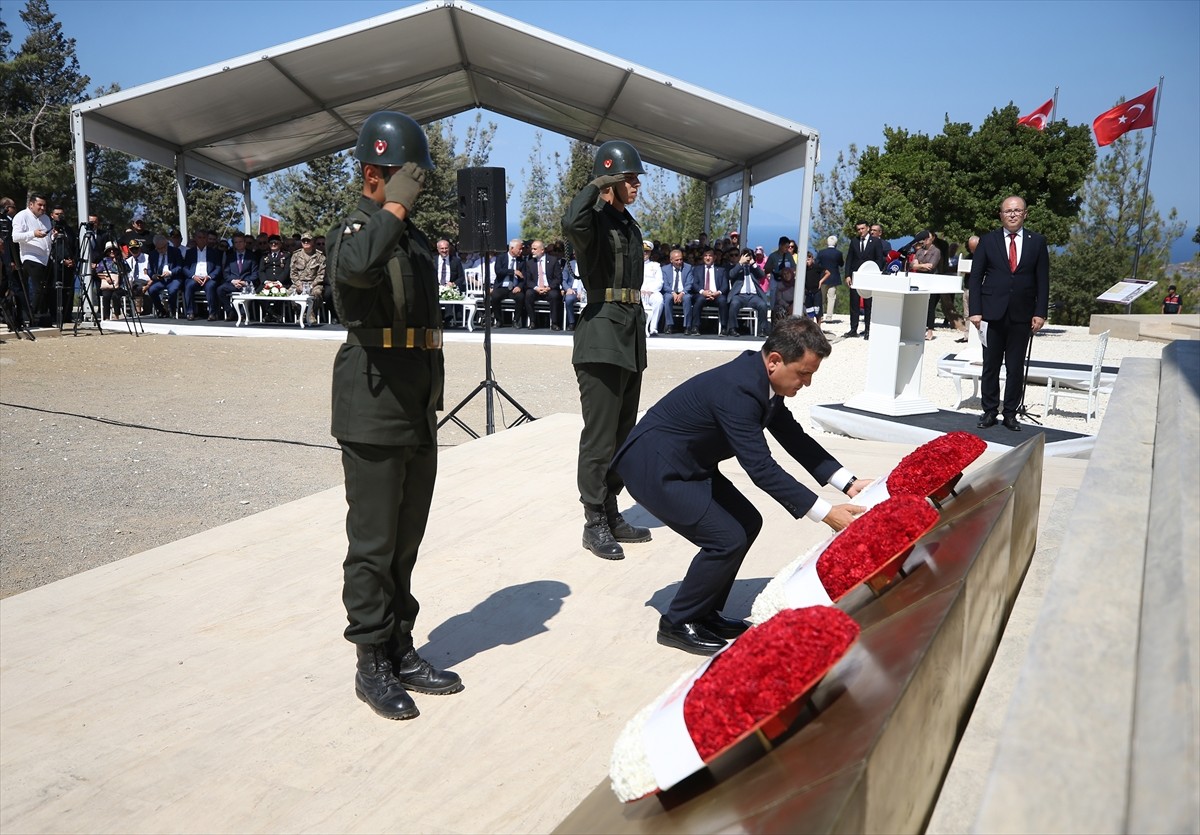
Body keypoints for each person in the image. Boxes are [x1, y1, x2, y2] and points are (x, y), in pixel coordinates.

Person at [612, 317, 871, 655]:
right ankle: (677, 622)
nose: (806, 383)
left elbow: (795, 439)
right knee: (725, 538)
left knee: (747, 522)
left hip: (688, 462)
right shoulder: (739, 390)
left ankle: (705, 612)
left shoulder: (763, 381)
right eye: (804, 374)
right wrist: (825, 513)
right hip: (654, 468)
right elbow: (761, 468)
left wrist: (848, 484)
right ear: (775, 360)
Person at [326, 110, 463, 721]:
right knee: (374, 542)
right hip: (373, 400)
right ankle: (369, 660)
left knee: (406, 539)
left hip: (413, 399)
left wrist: (403, 216)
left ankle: (400, 644)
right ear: (375, 172)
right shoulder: (357, 227)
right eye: (407, 176)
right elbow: (355, 270)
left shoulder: (406, 235)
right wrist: (395, 209)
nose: (417, 187)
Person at [561, 139, 652, 560]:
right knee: (599, 437)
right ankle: (593, 520)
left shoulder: (629, 225)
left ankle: (611, 509)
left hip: (629, 336)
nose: (635, 186)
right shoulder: (593, 223)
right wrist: (597, 183)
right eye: (628, 179)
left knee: (622, 435)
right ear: (611, 181)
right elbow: (570, 220)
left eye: (635, 179)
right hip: (600, 337)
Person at [968, 195, 1050, 432]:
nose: (1012, 214)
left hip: (1022, 314)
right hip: (992, 313)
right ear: (1000, 214)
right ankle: (990, 411)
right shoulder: (988, 240)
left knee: (1015, 367)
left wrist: (1040, 312)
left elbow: (1042, 280)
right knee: (991, 366)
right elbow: (976, 277)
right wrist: (975, 311)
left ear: (1025, 213)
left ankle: (1011, 413)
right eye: (1007, 211)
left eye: (1017, 210)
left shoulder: (1037, 242)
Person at [10, 194, 52, 327]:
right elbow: (15, 237)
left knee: (44, 288)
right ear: (31, 205)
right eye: (40, 205)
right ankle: (34, 316)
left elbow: (48, 237)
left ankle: (42, 315)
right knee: (38, 288)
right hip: (30, 256)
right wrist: (33, 234)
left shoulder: (46, 218)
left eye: (44, 205)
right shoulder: (22, 216)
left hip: (45, 258)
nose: (43, 208)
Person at [726, 247, 770, 337]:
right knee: (734, 303)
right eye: (744, 255)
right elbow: (731, 274)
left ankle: (762, 329)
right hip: (739, 295)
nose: (747, 257)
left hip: (753, 296)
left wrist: (753, 264)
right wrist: (740, 263)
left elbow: (762, 275)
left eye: (749, 255)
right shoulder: (735, 267)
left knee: (762, 305)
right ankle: (732, 329)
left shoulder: (754, 268)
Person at [908, 230, 942, 340]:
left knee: (930, 306)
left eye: (928, 237)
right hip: (919, 280)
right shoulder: (919, 251)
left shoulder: (936, 251)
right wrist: (921, 266)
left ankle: (930, 330)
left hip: (930, 280)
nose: (926, 239)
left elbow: (931, 266)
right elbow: (913, 265)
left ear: (932, 239)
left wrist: (919, 265)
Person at [523, 239, 563, 329]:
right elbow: (528, 280)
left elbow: (558, 278)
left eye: (534, 249)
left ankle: (554, 323)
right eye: (532, 249)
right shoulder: (530, 263)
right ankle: (533, 321)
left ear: (542, 250)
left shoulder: (553, 260)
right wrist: (536, 288)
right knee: (528, 294)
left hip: (549, 288)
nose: (532, 251)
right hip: (536, 289)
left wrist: (549, 287)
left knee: (554, 295)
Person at [815, 235, 844, 324]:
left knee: (822, 298)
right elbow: (841, 264)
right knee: (831, 298)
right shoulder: (838, 253)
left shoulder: (821, 252)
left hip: (823, 278)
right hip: (833, 278)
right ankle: (829, 317)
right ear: (835, 243)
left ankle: (821, 316)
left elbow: (817, 264)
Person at [639, 240, 664, 336]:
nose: (645, 253)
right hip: (638, 292)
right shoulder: (634, 264)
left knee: (659, 300)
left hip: (651, 292)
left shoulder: (655, 266)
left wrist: (650, 290)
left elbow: (659, 281)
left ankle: (653, 328)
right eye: (643, 251)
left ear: (650, 253)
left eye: (647, 251)